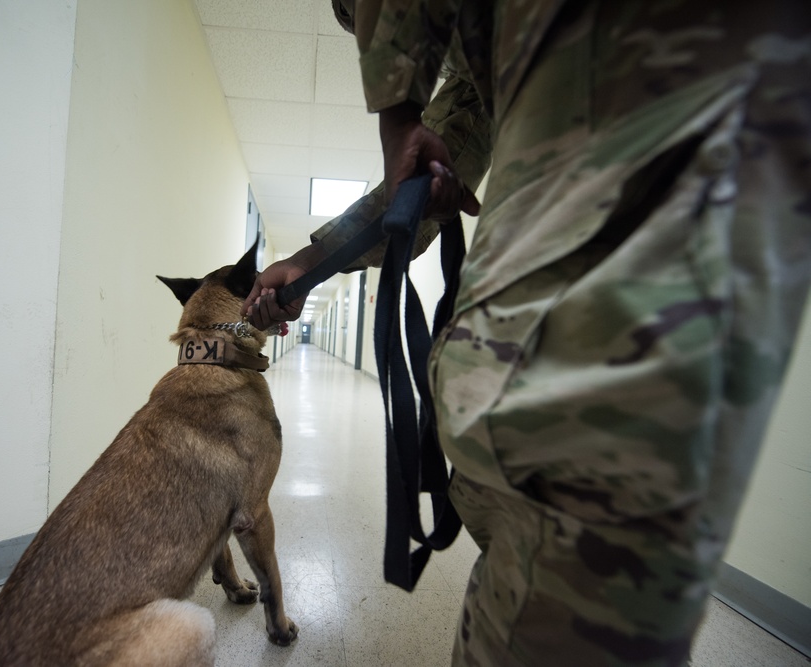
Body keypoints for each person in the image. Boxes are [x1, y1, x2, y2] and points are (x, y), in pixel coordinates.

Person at [243, 1, 811, 665]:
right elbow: (427, 170)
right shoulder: (500, 57)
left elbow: (417, 139)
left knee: (575, 541)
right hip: (588, 351)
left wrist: (396, 112)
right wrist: (312, 265)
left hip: (613, 322)